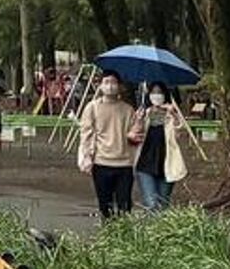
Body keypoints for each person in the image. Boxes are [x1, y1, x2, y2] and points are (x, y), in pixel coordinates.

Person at [77, 70, 136, 217]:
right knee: (105, 205)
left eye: (113, 82)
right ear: (100, 86)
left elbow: (135, 136)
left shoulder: (128, 110)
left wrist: (139, 124)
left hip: (124, 164)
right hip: (101, 162)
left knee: (124, 206)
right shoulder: (92, 108)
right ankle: (108, 234)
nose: (110, 86)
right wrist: (87, 156)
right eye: (106, 82)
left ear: (119, 86)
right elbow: (86, 134)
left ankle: (123, 236)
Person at [129, 82, 188, 211]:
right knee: (151, 204)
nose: (157, 95)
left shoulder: (170, 115)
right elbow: (134, 136)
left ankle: (157, 231)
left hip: (167, 165)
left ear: (165, 95)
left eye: (160, 92)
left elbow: (180, 132)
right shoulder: (144, 113)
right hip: (145, 165)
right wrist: (139, 120)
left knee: (162, 205)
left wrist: (173, 113)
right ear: (149, 95)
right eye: (153, 92)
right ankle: (151, 230)